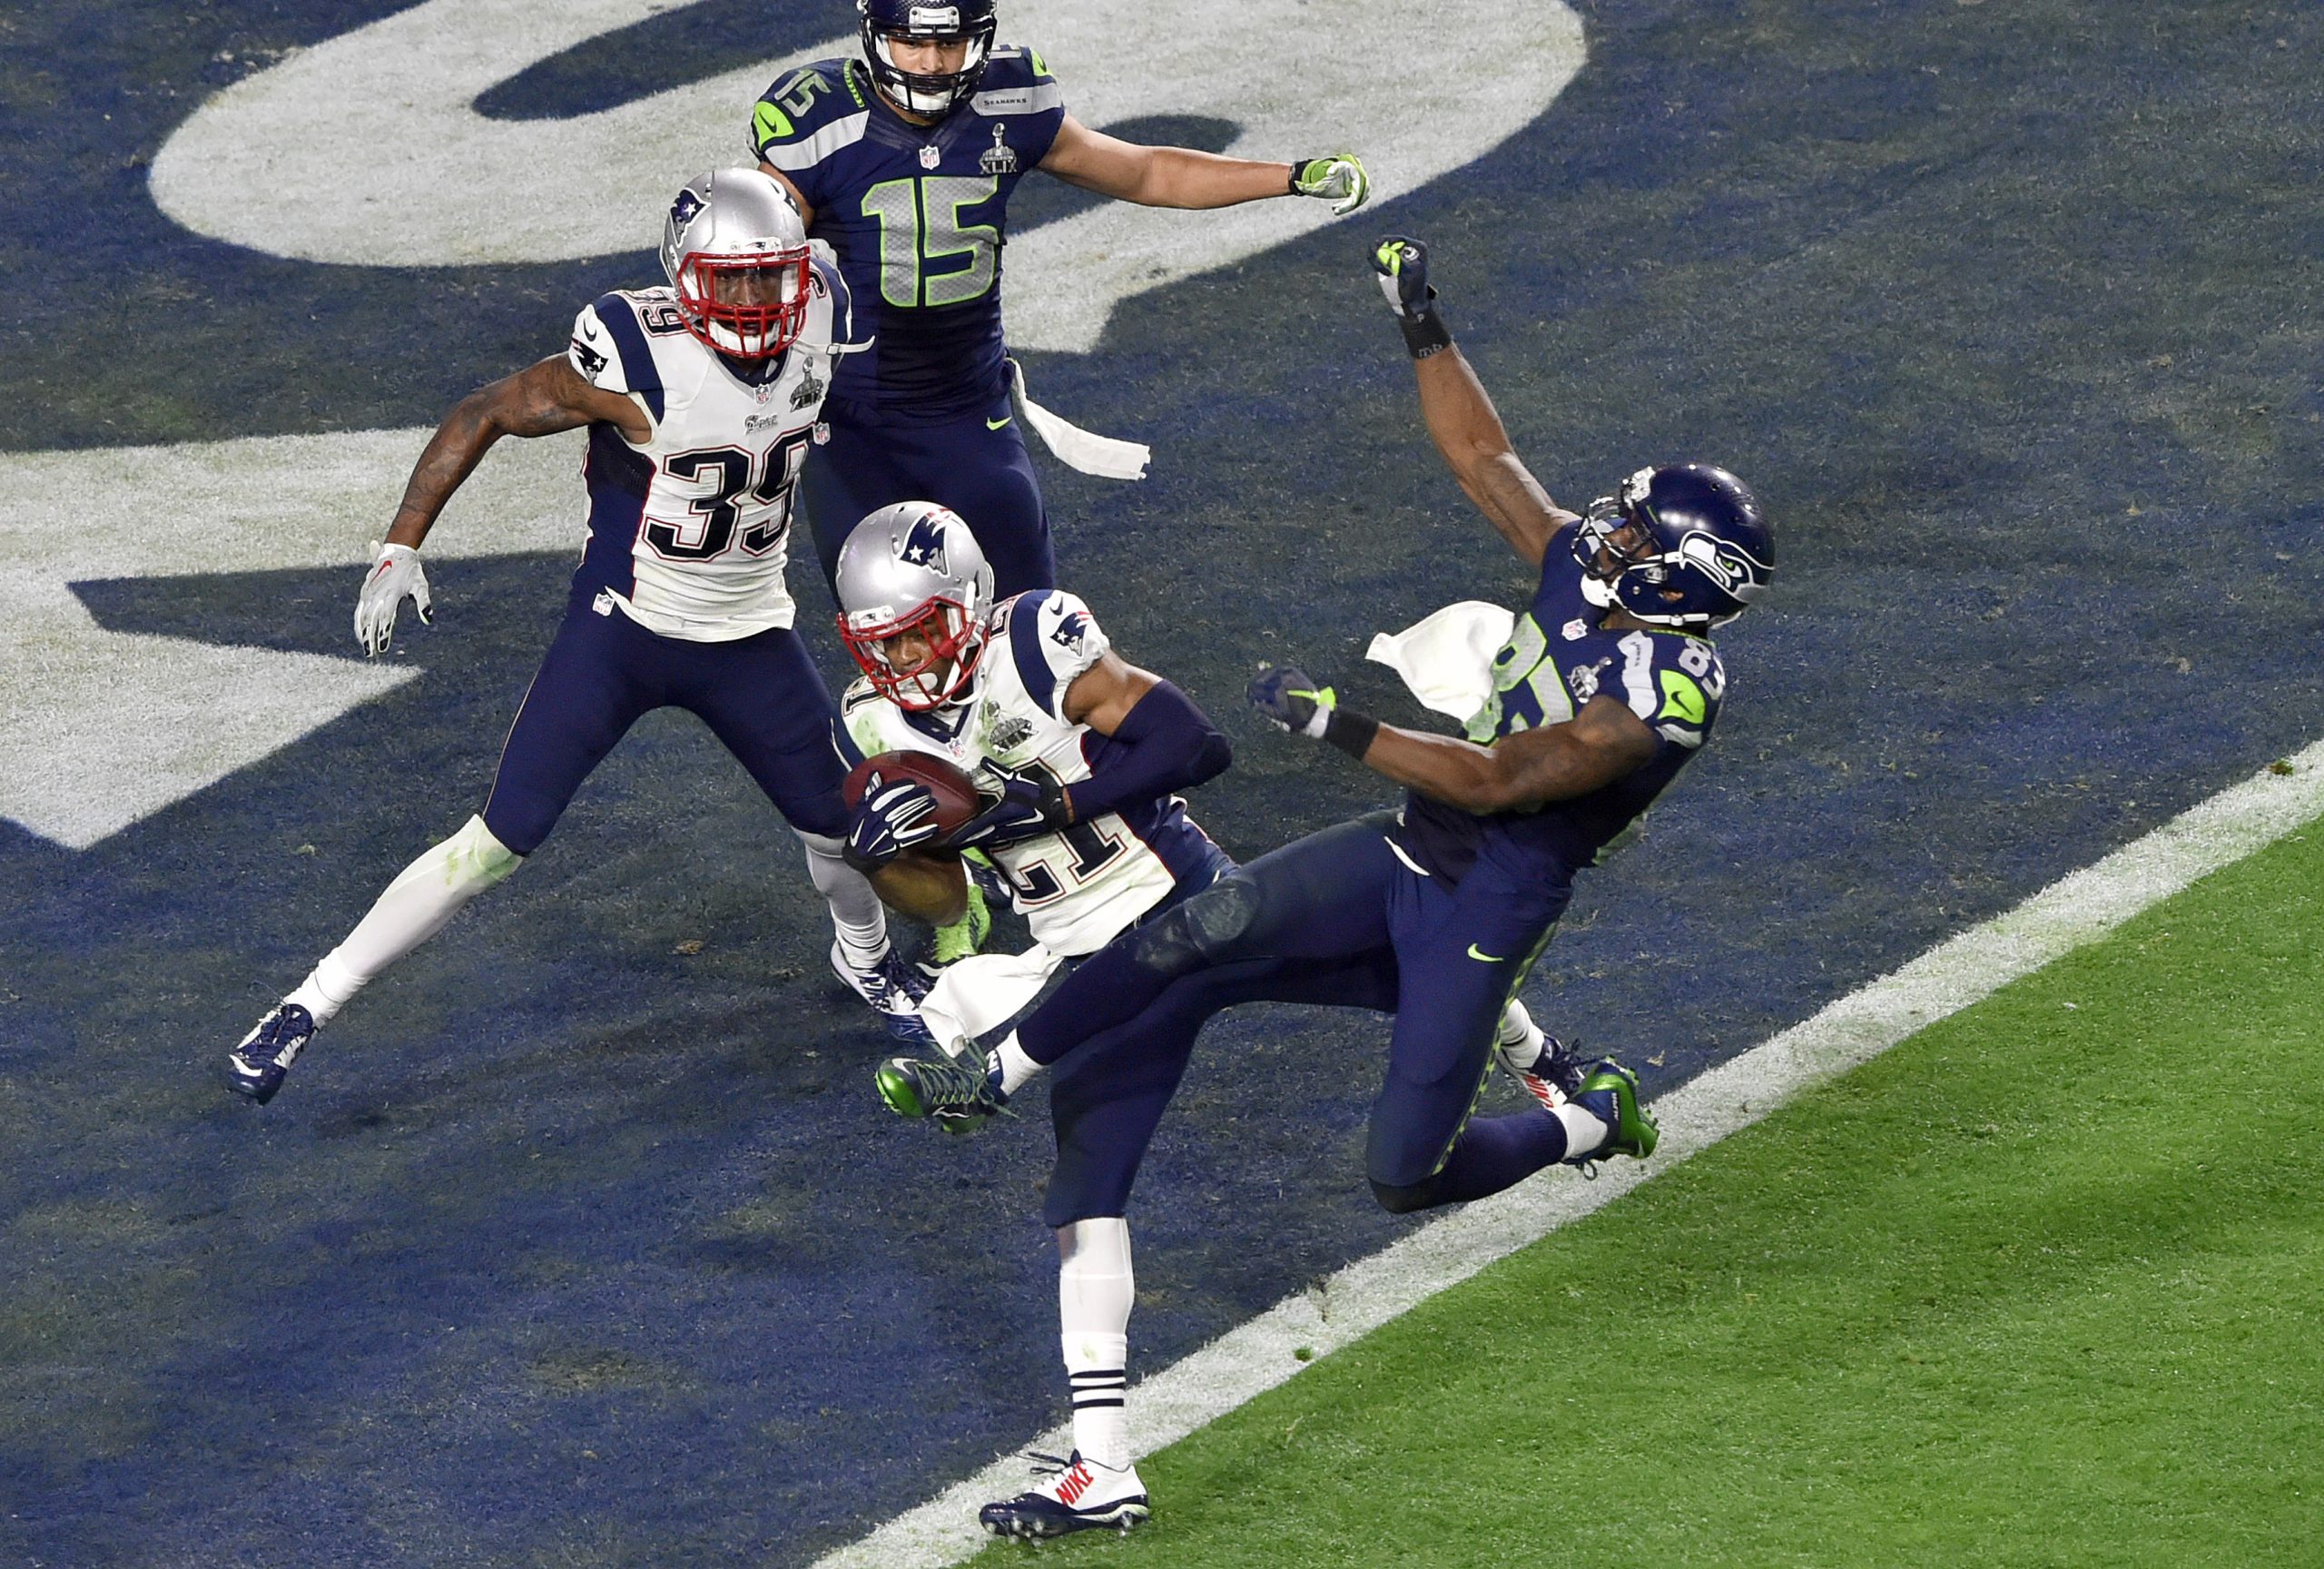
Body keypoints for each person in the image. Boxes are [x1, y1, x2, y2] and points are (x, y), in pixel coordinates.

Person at [871, 234, 1775, 1533]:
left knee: (1402, 1175)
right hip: (1405, 849)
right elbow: (1484, 462)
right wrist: (1424, 327)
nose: (1608, 525)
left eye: (1637, 528)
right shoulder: (1593, 571)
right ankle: (995, 1077)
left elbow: (1497, 784)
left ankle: (1582, 1116)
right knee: (1202, 926)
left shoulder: (1660, 698)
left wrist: (1334, 723)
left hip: (1486, 902)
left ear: (1673, 579)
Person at [226, 167, 935, 1105]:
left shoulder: (822, 314)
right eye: (736, 281)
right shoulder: (637, 356)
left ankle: (864, 956)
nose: (761, 302)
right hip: (624, 631)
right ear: (683, 279)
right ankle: (309, 1003)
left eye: (773, 277)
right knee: (498, 838)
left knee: (839, 832)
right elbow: (485, 410)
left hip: (748, 633)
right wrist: (399, 543)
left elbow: (860, 393)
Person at [751, 0, 1372, 601]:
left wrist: (1287, 176)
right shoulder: (818, 120)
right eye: (913, 41)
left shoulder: (1009, 100)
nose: (933, 64)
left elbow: (1148, 172)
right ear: (874, 34)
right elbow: (748, 274)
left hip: (969, 411)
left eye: (950, 42)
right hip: (858, 422)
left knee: (1029, 624)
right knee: (890, 629)